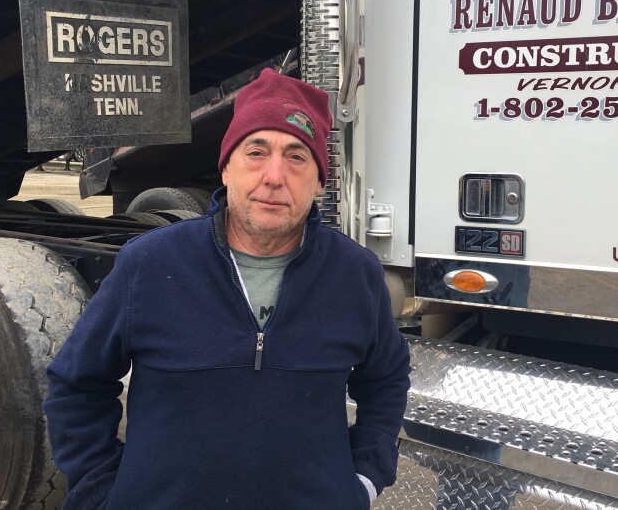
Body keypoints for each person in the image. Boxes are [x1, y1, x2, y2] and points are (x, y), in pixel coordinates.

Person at [44, 68, 411, 510]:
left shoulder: (355, 275)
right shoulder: (151, 263)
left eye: (297, 157)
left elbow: (387, 379)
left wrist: (365, 477)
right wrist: (101, 491)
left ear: (319, 180)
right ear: (226, 168)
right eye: (256, 151)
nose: (274, 175)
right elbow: (75, 383)